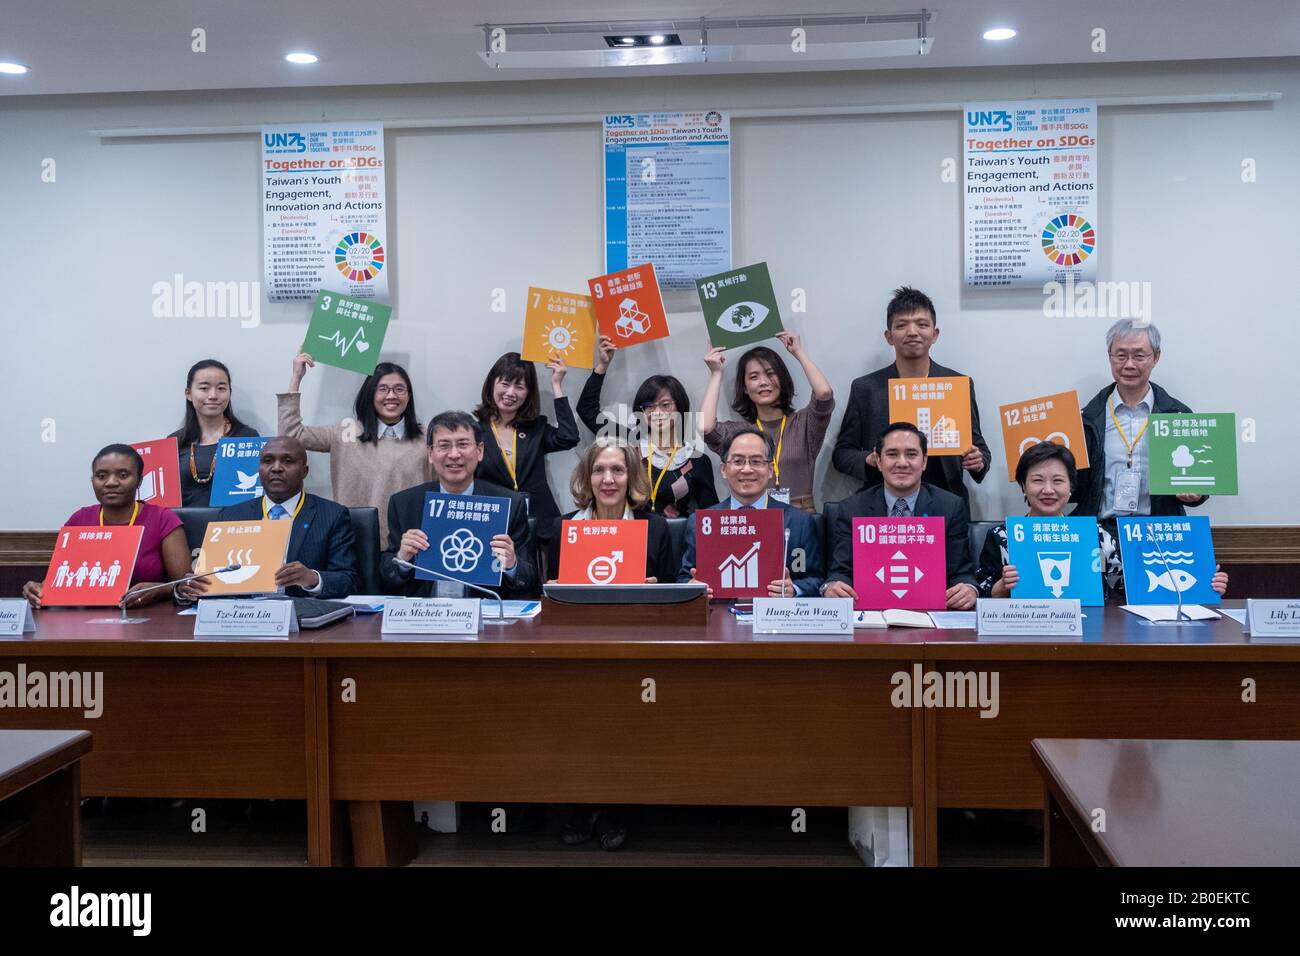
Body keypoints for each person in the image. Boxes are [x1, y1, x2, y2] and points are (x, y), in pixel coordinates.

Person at [977, 441, 1229, 602]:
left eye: (1057, 480)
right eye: (1037, 480)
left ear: (1071, 487)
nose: (1048, 489)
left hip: (1088, 634)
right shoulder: (1003, 536)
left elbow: (1131, 587)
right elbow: (979, 590)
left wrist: (1202, 584)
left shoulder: (1096, 536)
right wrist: (1001, 588)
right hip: (1021, 631)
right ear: (1023, 486)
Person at [832, 286, 991, 502]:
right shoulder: (866, 388)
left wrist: (978, 461)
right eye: (902, 325)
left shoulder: (957, 384)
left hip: (947, 504)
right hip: (884, 505)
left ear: (935, 334)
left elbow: (979, 447)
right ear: (889, 336)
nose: (912, 332)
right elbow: (842, 454)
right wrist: (868, 459)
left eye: (922, 324)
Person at [175, 437, 359, 602]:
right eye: (268, 461)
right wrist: (187, 589)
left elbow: (348, 580)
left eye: (288, 461)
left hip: (302, 618)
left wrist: (311, 578)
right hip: (241, 618)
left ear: (305, 471)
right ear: (259, 469)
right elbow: (209, 579)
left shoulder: (332, 515)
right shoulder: (231, 516)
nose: (276, 468)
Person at [380, 411, 538, 599]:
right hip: (424, 616)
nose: (454, 454)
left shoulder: (510, 505)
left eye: (463, 444)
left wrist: (511, 564)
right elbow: (386, 577)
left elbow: (528, 582)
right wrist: (402, 558)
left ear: (479, 451)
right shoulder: (404, 503)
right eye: (444, 446)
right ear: (430, 453)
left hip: (484, 618)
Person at [279, 353, 429, 548]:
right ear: (370, 393)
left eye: (399, 389)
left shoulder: (428, 439)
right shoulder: (346, 433)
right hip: (353, 543)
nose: (391, 395)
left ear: (409, 395)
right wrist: (296, 378)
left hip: (411, 546)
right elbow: (291, 436)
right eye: (383, 389)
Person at [823, 423, 978, 609]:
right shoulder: (852, 509)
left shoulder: (950, 507)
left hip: (930, 614)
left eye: (911, 454)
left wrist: (969, 589)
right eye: (892, 454)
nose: (902, 463)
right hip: (872, 615)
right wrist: (831, 587)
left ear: (924, 462)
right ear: (879, 462)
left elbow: (961, 573)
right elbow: (840, 572)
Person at [23, 445, 191, 609]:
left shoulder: (162, 518)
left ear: (139, 480)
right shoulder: (79, 519)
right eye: (101, 476)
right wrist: (37, 590)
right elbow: (56, 582)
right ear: (92, 481)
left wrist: (157, 590)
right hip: (84, 622)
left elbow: (185, 584)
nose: (111, 483)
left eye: (123, 475)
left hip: (151, 620)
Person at [1074, 319, 1209, 521]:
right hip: (1102, 532)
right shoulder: (1086, 419)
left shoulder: (1177, 415)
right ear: (1110, 357)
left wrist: (1195, 494)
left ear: (1156, 357)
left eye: (1139, 356)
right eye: (1120, 355)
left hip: (1159, 531)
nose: (1129, 364)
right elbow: (1073, 485)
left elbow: (1200, 479)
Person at [576, 336, 719, 517]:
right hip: (630, 538)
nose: (657, 412)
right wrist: (602, 366)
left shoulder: (696, 460)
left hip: (675, 540)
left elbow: (710, 519)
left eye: (665, 405)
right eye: (649, 407)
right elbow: (587, 410)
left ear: (680, 407)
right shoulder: (629, 445)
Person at [678, 427, 825, 597]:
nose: (747, 469)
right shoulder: (700, 522)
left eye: (756, 461)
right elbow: (683, 578)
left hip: (776, 617)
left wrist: (795, 590)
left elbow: (816, 579)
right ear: (724, 470)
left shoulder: (799, 522)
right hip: (718, 616)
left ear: (770, 470)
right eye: (738, 461)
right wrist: (692, 586)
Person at [698, 331, 836, 513]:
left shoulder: (804, 423)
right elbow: (705, 427)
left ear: (782, 379)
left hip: (801, 515)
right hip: (754, 517)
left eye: (770, 374)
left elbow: (824, 394)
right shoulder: (741, 434)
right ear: (745, 388)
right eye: (754, 377)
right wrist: (716, 373)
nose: (763, 382)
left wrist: (798, 352)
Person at [543, 440, 675, 585]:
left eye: (617, 470)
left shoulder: (656, 528)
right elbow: (555, 595)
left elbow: (670, 592)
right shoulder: (563, 528)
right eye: (598, 470)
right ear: (588, 477)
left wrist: (657, 590)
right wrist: (553, 591)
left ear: (631, 476)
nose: (607, 479)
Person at [473, 351, 579, 523]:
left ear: (528, 393)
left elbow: (569, 437)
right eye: (505, 384)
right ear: (492, 384)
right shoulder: (474, 432)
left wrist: (557, 385)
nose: (510, 392)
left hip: (537, 523)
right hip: (492, 522)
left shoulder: (536, 428)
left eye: (519, 387)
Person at [170, 359, 259, 508]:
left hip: (233, 526)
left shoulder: (247, 437)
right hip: (184, 527)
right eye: (204, 388)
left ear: (230, 392)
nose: (213, 395)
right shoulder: (174, 441)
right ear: (188, 393)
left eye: (221, 388)